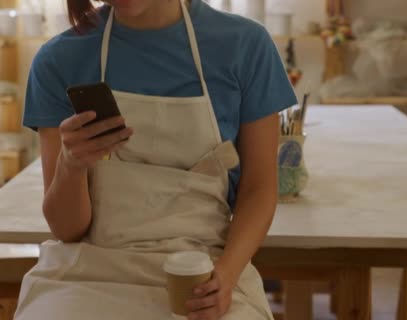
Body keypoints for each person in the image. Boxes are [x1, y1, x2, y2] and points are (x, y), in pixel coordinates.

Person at [16, 0, 297, 319]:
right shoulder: (59, 60)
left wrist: (226, 276)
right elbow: (66, 230)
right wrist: (71, 165)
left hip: (202, 268)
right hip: (90, 271)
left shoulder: (245, 47)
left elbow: (259, 190)